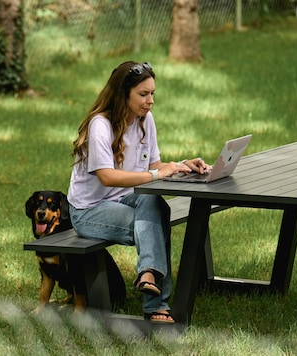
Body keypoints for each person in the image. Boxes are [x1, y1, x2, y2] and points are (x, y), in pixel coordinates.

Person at [67, 61, 211, 323]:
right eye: (143, 94)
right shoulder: (101, 125)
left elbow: (153, 166)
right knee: (155, 220)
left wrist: (181, 166)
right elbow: (107, 177)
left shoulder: (145, 120)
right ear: (123, 94)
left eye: (152, 93)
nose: (150, 101)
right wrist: (157, 174)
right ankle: (156, 305)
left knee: (153, 203)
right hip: (90, 209)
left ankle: (149, 276)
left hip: (126, 197)